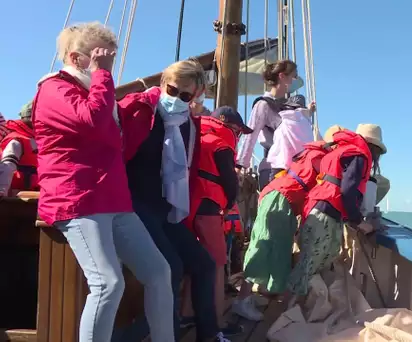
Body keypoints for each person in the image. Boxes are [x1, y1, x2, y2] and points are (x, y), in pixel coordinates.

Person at [32, 22, 173, 342]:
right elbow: (93, 122)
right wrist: (103, 74)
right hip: (78, 199)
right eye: (99, 55)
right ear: (76, 57)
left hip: (112, 199)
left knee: (158, 272)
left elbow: (117, 141)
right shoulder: (54, 89)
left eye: (109, 56)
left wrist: (144, 102)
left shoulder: (96, 92)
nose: (108, 61)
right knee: (108, 283)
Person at [117, 59, 224, 342]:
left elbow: (186, 171)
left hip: (165, 209)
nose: (176, 98)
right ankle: (162, 336)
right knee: (172, 267)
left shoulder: (188, 124)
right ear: (163, 83)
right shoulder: (140, 108)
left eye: (185, 96)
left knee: (204, 264)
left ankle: (209, 334)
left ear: (196, 95)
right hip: (135, 204)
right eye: (173, 90)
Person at [232, 139, 331, 320]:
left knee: (278, 248)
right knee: (263, 247)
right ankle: (242, 300)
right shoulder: (322, 158)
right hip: (281, 198)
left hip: (282, 198)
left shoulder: (312, 154)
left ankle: (264, 289)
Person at [286, 124, 387, 300]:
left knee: (325, 256)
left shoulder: (342, 151)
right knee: (310, 264)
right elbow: (348, 191)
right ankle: (293, 309)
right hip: (325, 213)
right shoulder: (359, 156)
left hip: (318, 209)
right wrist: (359, 221)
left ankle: (305, 305)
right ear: (374, 149)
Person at [188, 106, 253, 335]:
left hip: (184, 209)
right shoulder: (221, 145)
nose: (238, 136)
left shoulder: (194, 135)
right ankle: (216, 325)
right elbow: (230, 184)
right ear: (228, 126)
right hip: (208, 209)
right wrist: (227, 205)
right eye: (238, 131)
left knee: (190, 264)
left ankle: (187, 316)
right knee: (217, 266)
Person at [236, 60, 298, 191]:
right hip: (272, 169)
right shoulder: (263, 105)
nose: (295, 81)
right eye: (293, 76)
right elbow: (250, 135)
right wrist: (240, 165)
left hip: (294, 170)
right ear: (282, 77)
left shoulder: (290, 107)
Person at [266, 94, 317, 179]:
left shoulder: (285, 122)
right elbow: (304, 115)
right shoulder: (307, 124)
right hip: (301, 168)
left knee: (274, 190)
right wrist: (310, 111)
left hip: (281, 166)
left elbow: (277, 141)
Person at [0, 102, 38, 196]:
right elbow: (7, 166)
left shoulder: (36, 140)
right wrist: (2, 190)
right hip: (18, 198)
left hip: (35, 195)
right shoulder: (16, 140)